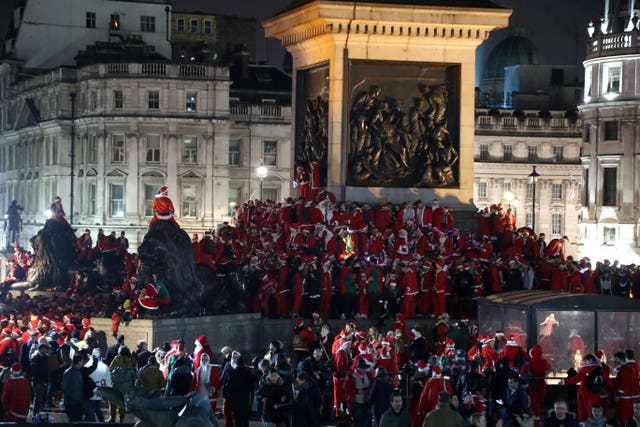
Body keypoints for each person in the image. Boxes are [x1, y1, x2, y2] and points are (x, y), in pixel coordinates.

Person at [221, 350, 255, 427]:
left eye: (236, 357)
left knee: (239, 417)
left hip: (237, 396)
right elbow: (223, 378)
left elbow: (250, 384)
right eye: (233, 357)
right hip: (231, 395)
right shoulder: (228, 365)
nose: (234, 358)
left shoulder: (244, 370)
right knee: (230, 413)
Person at [30, 341, 50, 423]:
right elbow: (34, 371)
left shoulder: (45, 356)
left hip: (43, 380)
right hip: (37, 381)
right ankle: (35, 413)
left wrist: (46, 380)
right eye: (45, 348)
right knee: (37, 397)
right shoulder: (35, 357)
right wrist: (37, 382)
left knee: (40, 397)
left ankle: (36, 412)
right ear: (41, 349)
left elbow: (46, 370)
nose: (46, 350)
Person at [61, 355, 85, 422]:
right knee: (73, 420)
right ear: (79, 362)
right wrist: (73, 397)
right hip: (71, 403)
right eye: (82, 361)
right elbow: (64, 387)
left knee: (78, 420)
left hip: (78, 402)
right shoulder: (68, 372)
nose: (83, 362)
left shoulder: (78, 371)